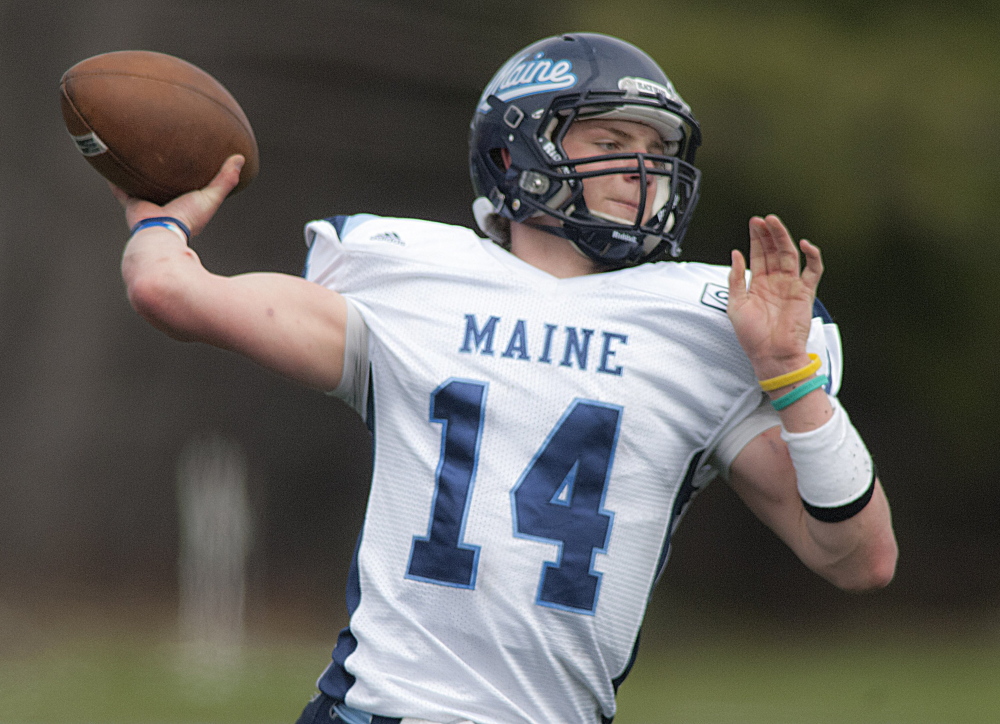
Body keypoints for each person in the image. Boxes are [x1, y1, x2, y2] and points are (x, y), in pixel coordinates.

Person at [114, 32, 897, 724]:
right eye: (610, 140)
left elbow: (859, 557)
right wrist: (163, 214)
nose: (643, 172)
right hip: (380, 710)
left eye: (656, 149)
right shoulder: (413, 283)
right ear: (513, 153)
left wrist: (794, 381)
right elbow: (169, 290)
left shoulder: (697, 328)